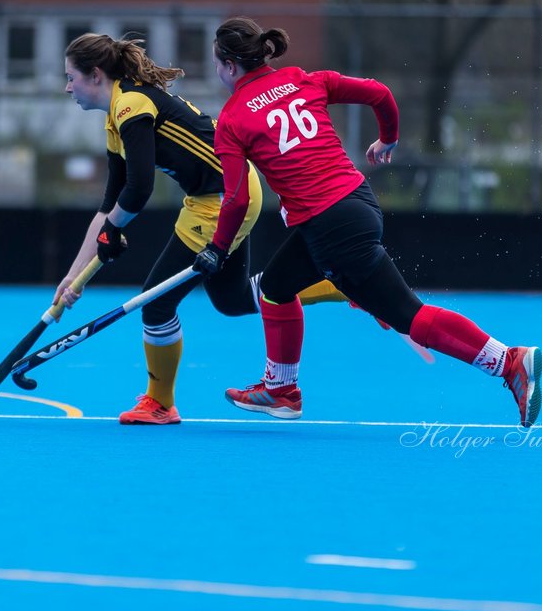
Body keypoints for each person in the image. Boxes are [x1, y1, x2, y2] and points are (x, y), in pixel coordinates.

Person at [191, 17, 542, 428]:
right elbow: (379, 93)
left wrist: (217, 248)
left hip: (329, 226)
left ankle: (508, 362)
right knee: (276, 286)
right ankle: (281, 390)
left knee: (408, 315)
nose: (218, 72)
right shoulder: (304, 79)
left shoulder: (232, 119)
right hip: (357, 202)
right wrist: (387, 139)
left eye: (217, 65)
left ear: (231, 66)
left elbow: (237, 198)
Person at [56, 32, 354, 425]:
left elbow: (139, 188)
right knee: (230, 299)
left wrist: (112, 232)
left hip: (224, 196)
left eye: (71, 77)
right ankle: (340, 283)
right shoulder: (117, 119)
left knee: (156, 303)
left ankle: (160, 403)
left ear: (94, 75)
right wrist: (73, 277)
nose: (67, 87)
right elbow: (109, 206)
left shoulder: (132, 105)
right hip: (219, 193)